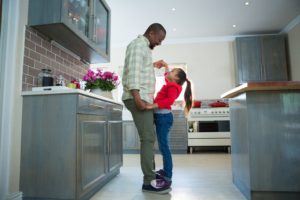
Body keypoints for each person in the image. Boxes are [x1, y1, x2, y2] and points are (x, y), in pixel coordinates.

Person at [122, 23, 171, 194]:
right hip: (139, 97)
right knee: (148, 138)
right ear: (151, 33)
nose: (160, 42)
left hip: (143, 97)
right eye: (159, 39)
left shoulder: (143, 48)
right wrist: (137, 98)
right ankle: (148, 181)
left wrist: (152, 65)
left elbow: (138, 69)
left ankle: (150, 175)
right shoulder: (138, 45)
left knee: (149, 139)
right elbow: (133, 74)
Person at [145, 66, 192, 189]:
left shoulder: (172, 86)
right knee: (163, 147)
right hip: (162, 117)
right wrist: (166, 66)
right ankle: (166, 171)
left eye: (172, 72)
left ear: (176, 78)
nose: (168, 73)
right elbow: (167, 78)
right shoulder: (172, 85)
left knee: (164, 148)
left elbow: (170, 101)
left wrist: (152, 106)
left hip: (163, 118)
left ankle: (168, 177)